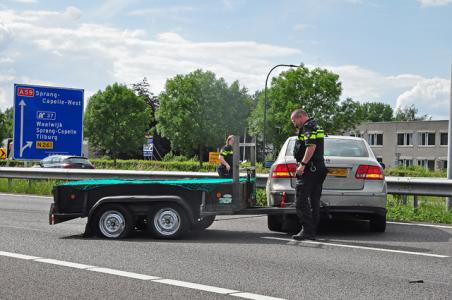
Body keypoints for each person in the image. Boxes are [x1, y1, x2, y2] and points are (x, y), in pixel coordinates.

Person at [290, 109, 328, 240]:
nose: (294, 124)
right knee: (314, 200)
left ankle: (308, 230)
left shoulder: (307, 127)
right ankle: (312, 230)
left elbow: (311, 147)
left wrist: (302, 165)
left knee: (300, 200)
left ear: (300, 117)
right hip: (319, 168)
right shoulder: (316, 125)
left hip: (310, 169)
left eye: (294, 121)